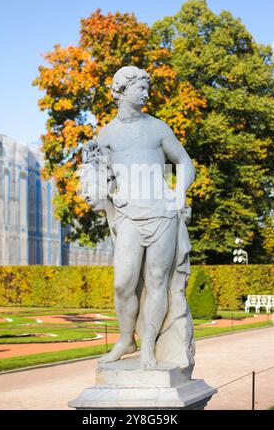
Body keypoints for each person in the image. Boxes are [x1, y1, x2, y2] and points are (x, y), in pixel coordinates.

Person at [80, 66, 195, 371]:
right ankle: (124, 339)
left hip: (162, 213)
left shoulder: (158, 129)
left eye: (147, 87)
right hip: (129, 214)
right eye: (140, 88)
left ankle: (148, 346)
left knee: (157, 281)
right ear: (122, 90)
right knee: (123, 283)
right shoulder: (106, 135)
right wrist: (92, 186)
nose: (146, 93)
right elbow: (97, 180)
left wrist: (178, 193)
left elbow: (184, 162)